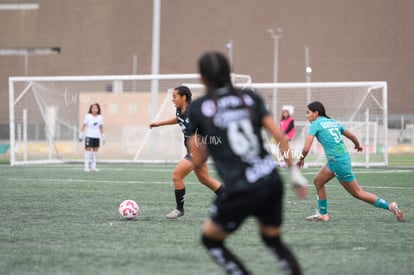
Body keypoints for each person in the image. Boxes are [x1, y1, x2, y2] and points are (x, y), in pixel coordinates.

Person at [187, 51, 308, 275]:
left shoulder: (199, 107)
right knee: (273, 240)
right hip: (271, 181)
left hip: (240, 188)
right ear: (228, 72)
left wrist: (209, 148)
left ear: (202, 77)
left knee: (210, 239)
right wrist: (295, 175)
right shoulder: (249, 97)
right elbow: (280, 137)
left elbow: (197, 155)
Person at [297, 101, 404, 222]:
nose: (306, 116)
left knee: (357, 193)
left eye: (308, 113)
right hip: (336, 161)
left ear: (316, 113)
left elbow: (306, 148)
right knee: (318, 181)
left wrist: (301, 159)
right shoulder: (333, 122)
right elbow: (351, 135)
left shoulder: (315, 124)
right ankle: (323, 214)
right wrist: (357, 145)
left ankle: (389, 206)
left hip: (338, 162)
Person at [149, 86, 225, 219]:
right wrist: (158, 124)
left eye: (175, 97)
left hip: (199, 149)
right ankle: (233, 200)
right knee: (204, 179)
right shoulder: (179, 110)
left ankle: (179, 209)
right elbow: (178, 119)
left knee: (177, 175)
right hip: (192, 149)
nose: (172, 100)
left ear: (183, 97)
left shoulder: (194, 111)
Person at [78, 103, 105, 172]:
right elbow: (84, 125)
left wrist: (103, 136)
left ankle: (94, 167)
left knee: (95, 152)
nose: (94, 109)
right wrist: (81, 134)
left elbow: (101, 127)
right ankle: (86, 167)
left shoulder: (100, 117)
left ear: (98, 109)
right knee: (88, 151)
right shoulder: (88, 116)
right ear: (91, 109)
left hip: (96, 136)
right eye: (93, 108)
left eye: (96, 108)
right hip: (89, 135)